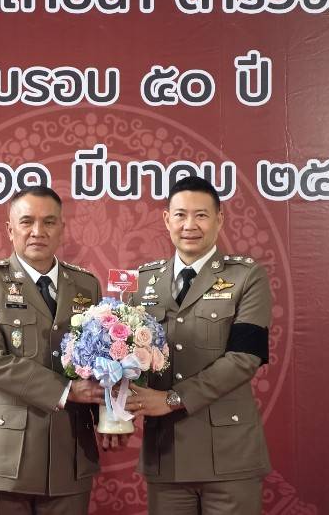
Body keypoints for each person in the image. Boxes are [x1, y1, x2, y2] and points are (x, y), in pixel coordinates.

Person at [0, 186, 111, 515]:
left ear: (62, 228)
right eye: (27, 221)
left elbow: (102, 360)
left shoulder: (86, 285)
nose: (38, 231)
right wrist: (67, 390)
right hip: (4, 459)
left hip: (69, 454)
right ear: (9, 229)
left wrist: (111, 416)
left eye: (49, 222)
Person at [126, 176, 272, 515]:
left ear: (219, 219)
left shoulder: (246, 277)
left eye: (201, 215)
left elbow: (244, 359)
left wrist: (173, 399)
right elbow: (123, 357)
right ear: (167, 220)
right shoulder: (142, 282)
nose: (190, 225)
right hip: (167, 455)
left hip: (229, 456)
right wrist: (114, 414)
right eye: (180, 215)